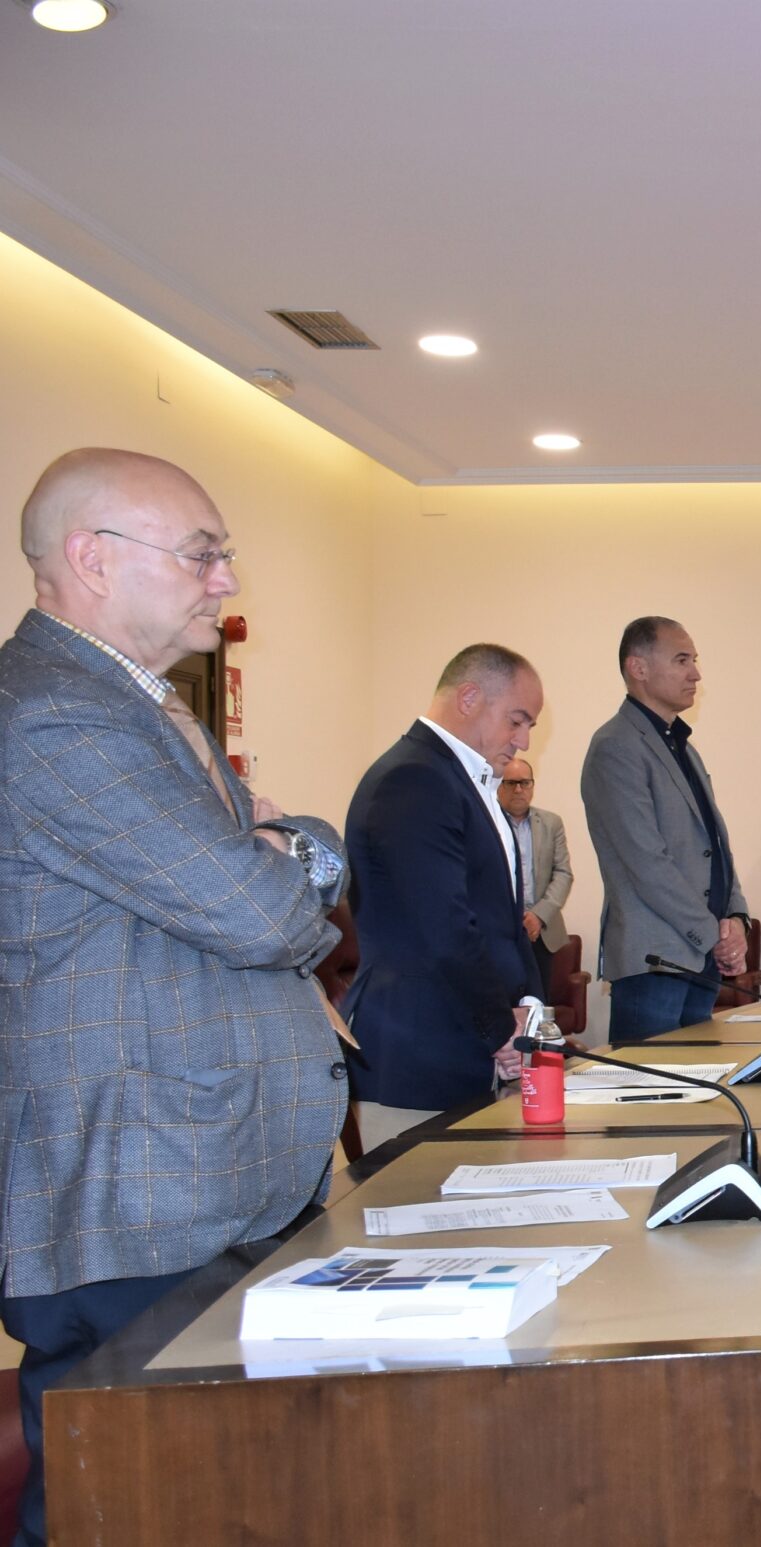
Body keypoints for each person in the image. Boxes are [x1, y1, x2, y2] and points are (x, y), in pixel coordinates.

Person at [0, 449, 350, 1543]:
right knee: (126, 1506)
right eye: (202, 553)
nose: (226, 580)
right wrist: (277, 850)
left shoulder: (145, 709)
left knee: (210, 1496)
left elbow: (296, 860)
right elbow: (266, 915)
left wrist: (282, 844)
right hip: (141, 1196)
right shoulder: (56, 716)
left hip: (207, 1182)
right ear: (91, 559)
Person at [343, 645, 548, 1148]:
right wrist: (503, 1028)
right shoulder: (412, 780)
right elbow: (444, 929)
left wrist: (527, 1005)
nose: (522, 741)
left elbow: (503, 916)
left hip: (465, 1047)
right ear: (470, 697)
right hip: (417, 1055)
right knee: (417, 1217)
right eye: (517, 721)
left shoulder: (463, 782)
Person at [581, 616, 749, 1042]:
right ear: (638, 668)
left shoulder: (683, 747)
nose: (695, 673)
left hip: (699, 954)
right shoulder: (616, 746)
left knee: (696, 1096)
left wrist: (737, 918)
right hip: (655, 958)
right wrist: (715, 934)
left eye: (694, 660)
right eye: (681, 660)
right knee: (650, 1100)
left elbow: (715, 844)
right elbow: (646, 862)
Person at [499, 756, 574, 996]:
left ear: (532, 786)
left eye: (525, 783)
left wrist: (538, 916)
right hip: (501, 931)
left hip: (542, 932)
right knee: (504, 1008)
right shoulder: (487, 821)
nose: (518, 789)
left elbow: (563, 873)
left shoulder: (551, 823)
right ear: (499, 785)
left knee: (539, 1006)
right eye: (511, 783)